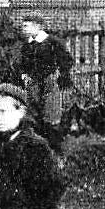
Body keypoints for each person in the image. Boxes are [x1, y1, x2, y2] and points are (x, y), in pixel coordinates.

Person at [18, 16, 74, 153]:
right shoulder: (27, 45)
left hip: (50, 82)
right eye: (23, 26)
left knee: (51, 115)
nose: (23, 29)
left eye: (27, 26)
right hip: (33, 84)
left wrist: (60, 75)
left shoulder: (52, 42)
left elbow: (67, 60)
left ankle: (56, 150)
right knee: (34, 116)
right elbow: (23, 64)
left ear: (37, 26)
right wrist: (24, 74)